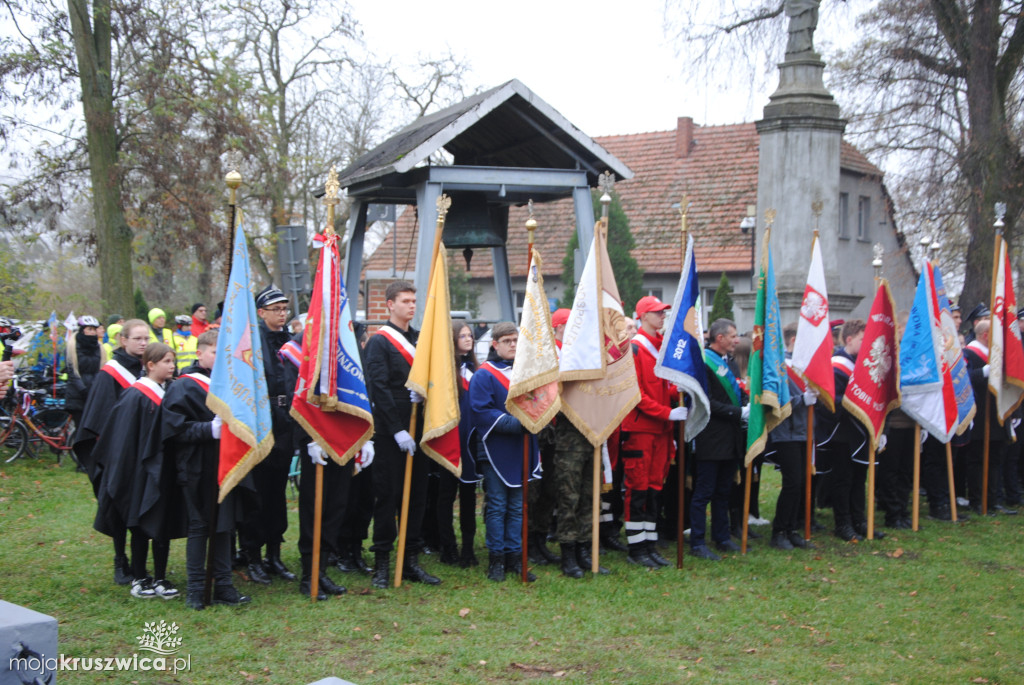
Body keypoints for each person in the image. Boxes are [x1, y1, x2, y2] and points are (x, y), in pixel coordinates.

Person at [161, 330, 250, 610]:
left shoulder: (231, 384)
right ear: (200, 353)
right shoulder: (183, 386)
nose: (220, 359)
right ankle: (197, 588)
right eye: (214, 353)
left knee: (224, 526)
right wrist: (207, 430)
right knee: (200, 526)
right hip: (196, 465)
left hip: (227, 462)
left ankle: (223, 584)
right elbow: (172, 429)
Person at [364, 280, 441, 588]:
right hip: (390, 432)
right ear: (390, 305)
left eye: (413, 300)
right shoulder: (379, 342)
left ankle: (409, 560)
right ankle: (382, 562)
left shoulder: (420, 340)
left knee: (416, 498)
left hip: (418, 427)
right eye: (405, 301)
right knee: (388, 497)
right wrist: (396, 429)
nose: (411, 305)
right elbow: (378, 388)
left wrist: (425, 395)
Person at [93, 342, 184, 599]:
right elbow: (121, 440)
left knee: (162, 523)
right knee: (141, 524)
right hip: (139, 472)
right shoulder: (135, 395)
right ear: (150, 365)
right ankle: (139, 576)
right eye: (166, 361)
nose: (172, 366)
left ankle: (161, 577)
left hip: (163, 471)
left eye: (173, 361)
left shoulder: (169, 392)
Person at [73, 318, 149, 585]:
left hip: (145, 452)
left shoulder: (150, 369)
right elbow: (100, 416)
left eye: (146, 338)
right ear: (123, 340)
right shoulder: (111, 373)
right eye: (137, 338)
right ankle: (120, 560)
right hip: (117, 454)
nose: (142, 343)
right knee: (117, 506)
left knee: (144, 507)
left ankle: (141, 564)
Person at [236, 286, 299, 585]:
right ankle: (252, 555)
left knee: (277, 493)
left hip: (286, 422)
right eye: (275, 309)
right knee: (257, 494)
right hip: (262, 421)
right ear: (261, 313)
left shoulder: (289, 341)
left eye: (284, 309)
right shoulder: (253, 343)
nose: (281, 314)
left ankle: (274, 553)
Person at [469, 322, 540, 582]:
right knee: (498, 506)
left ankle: (515, 558)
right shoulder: (484, 374)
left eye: (515, 340)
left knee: (517, 507)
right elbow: (481, 411)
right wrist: (517, 424)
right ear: (494, 345)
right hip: (495, 447)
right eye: (507, 341)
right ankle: (496, 560)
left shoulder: (526, 374)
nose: (512, 345)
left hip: (522, 446)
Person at [620, 296, 687, 568]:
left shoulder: (659, 349)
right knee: (638, 489)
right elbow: (635, 395)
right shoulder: (634, 350)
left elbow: (660, 389)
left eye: (663, 312)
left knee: (654, 488)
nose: (662, 317)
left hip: (660, 431)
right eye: (657, 313)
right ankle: (636, 548)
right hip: (641, 430)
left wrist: (676, 392)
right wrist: (667, 412)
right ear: (643, 316)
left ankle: (650, 543)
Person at [691, 318, 747, 561]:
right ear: (720, 338)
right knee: (704, 492)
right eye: (733, 336)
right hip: (711, 438)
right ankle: (697, 542)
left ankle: (722, 537)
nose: (737, 340)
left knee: (723, 491)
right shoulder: (704, 362)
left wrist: (745, 407)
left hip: (730, 438)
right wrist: (738, 412)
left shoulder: (730, 362)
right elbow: (706, 401)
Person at [817, 319, 874, 541]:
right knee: (843, 479)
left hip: (862, 430)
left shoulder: (866, 364)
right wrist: (856, 403)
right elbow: (830, 400)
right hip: (841, 432)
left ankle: (859, 520)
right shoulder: (837, 365)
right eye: (863, 339)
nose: (867, 344)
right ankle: (843, 523)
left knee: (860, 478)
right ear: (849, 339)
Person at [767, 323, 817, 550]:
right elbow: (774, 400)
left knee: (804, 482)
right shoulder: (781, 367)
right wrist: (801, 401)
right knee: (793, 482)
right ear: (794, 340)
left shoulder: (805, 367)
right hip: (786, 432)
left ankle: (793, 528)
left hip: (805, 431)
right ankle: (779, 531)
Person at [436, 321, 481, 567]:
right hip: (449, 439)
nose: (468, 339)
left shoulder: (478, 369)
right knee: (445, 495)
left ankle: (468, 549)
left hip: (470, 441)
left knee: (468, 495)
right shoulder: (443, 370)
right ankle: (448, 547)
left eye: (470, 335)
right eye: (462, 335)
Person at [527, 309, 569, 567]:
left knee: (550, 489)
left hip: (559, 431)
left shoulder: (571, 352)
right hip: (540, 428)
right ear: (559, 326)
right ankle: (528, 542)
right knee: (534, 488)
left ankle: (540, 540)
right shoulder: (545, 351)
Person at [963, 320, 1017, 515]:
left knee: (995, 459)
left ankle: (993, 500)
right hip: (979, 417)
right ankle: (977, 500)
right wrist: (984, 372)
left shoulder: (998, 356)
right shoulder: (969, 353)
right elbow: (963, 379)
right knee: (977, 460)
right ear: (986, 335)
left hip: (997, 415)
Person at [64, 315, 107, 428]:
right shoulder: (71, 347)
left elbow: (100, 370)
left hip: (94, 394)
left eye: (94, 329)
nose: (93, 332)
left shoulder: (99, 347)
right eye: (90, 329)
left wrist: (96, 389)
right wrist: (84, 391)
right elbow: (72, 373)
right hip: (77, 396)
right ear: (82, 330)